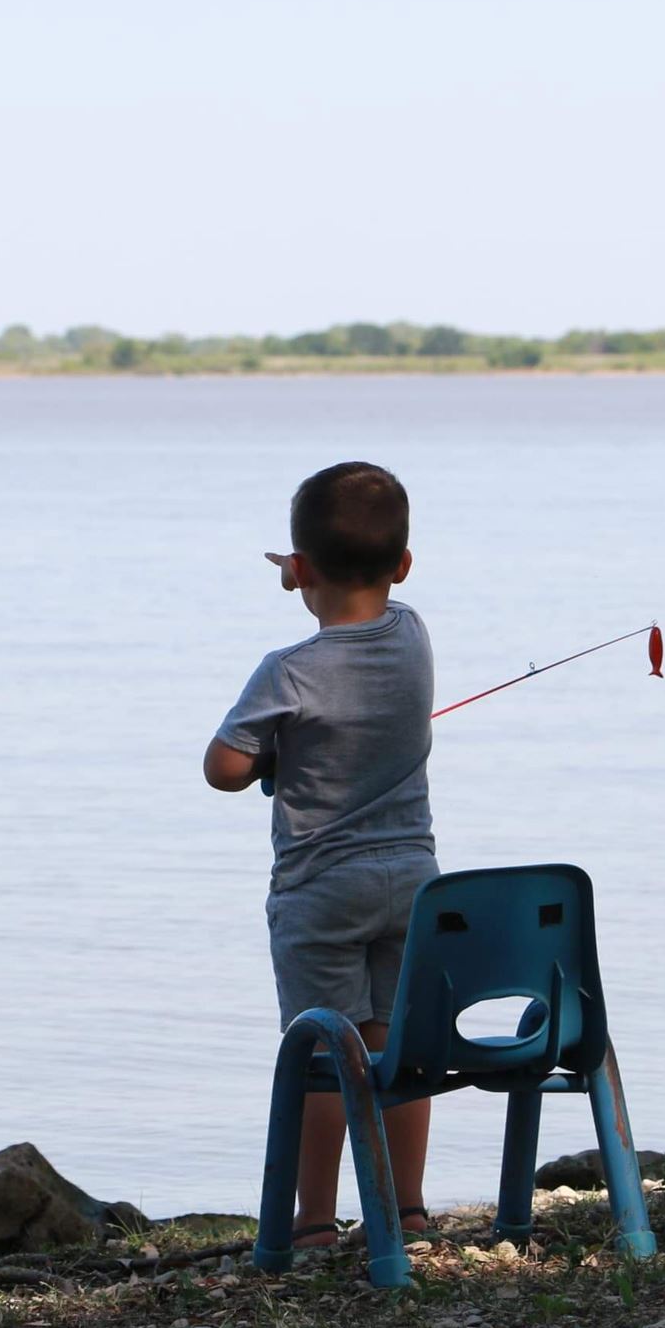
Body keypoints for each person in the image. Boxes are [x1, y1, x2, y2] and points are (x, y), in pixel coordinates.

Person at [203, 462, 439, 1242]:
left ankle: (313, 1221)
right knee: (390, 1044)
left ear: (298, 568)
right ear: (403, 565)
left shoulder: (288, 672)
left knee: (321, 1050)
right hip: (413, 883)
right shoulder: (412, 634)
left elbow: (225, 768)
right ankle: (405, 1207)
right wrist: (309, 572)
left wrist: (275, 752)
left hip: (320, 893)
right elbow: (364, 608)